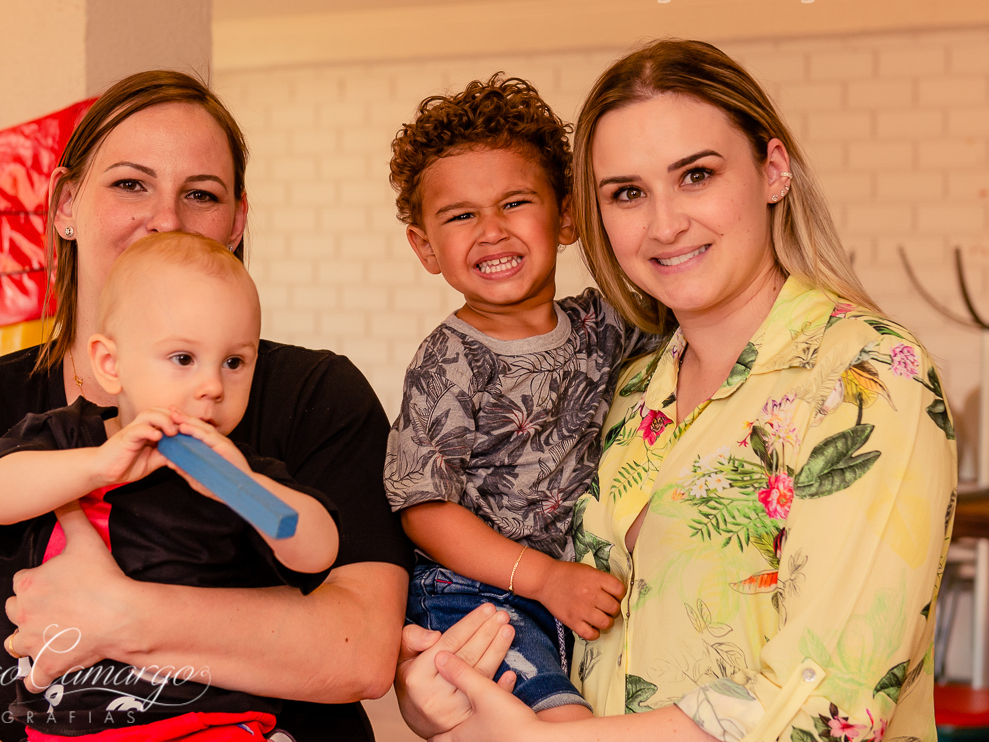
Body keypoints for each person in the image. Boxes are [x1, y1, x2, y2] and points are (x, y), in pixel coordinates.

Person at [0, 70, 412, 742]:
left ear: (237, 222)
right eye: (130, 184)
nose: (166, 219)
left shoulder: (321, 395)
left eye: (201, 194)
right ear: (66, 203)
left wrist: (124, 614)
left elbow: (364, 654)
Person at [394, 39, 956, 742]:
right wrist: (440, 702)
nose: (664, 224)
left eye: (696, 175)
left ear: (773, 169)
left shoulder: (868, 374)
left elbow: (833, 702)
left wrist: (550, 741)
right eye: (628, 193)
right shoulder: (629, 386)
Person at [0, 232, 341, 739]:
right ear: (111, 364)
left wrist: (244, 488)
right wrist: (98, 466)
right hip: (71, 726)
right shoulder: (67, 438)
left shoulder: (239, 471)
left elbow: (318, 551)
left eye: (234, 362)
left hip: (211, 722)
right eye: (183, 358)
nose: (213, 386)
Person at [383, 74, 646, 722]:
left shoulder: (605, 324)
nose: (492, 230)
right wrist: (544, 578)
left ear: (566, 217)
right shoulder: (449, 361)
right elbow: (424, 510)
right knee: (561, 727)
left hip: (569, 590)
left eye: (514, 202)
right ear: (425, 246)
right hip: (475, 598)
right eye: (461, 215)